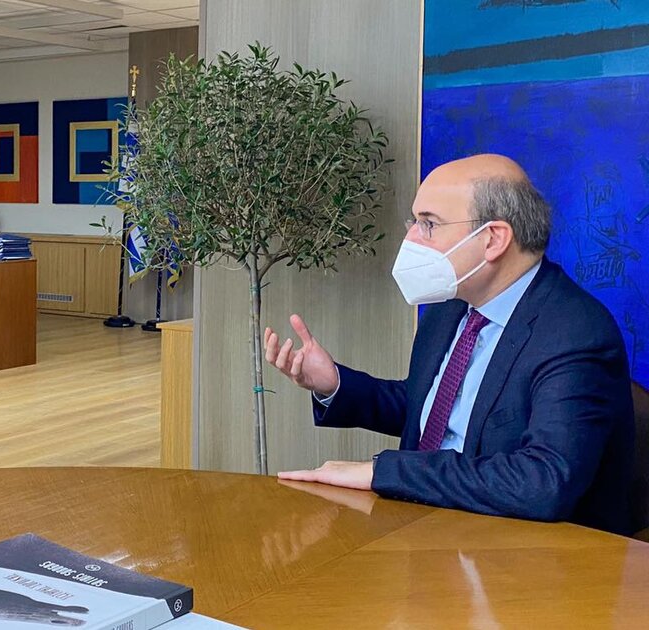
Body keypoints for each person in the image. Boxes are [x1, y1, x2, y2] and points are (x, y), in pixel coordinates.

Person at [270, 154, 634, 535]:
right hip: (429, 527)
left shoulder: (577, 333)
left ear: (493, 239)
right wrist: (334, 384)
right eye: (414, 222)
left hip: (525, 552)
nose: (411, 239)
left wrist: (383, 471)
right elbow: (427, 406)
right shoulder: (451, 308)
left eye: (428, 224)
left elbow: (542, 482)